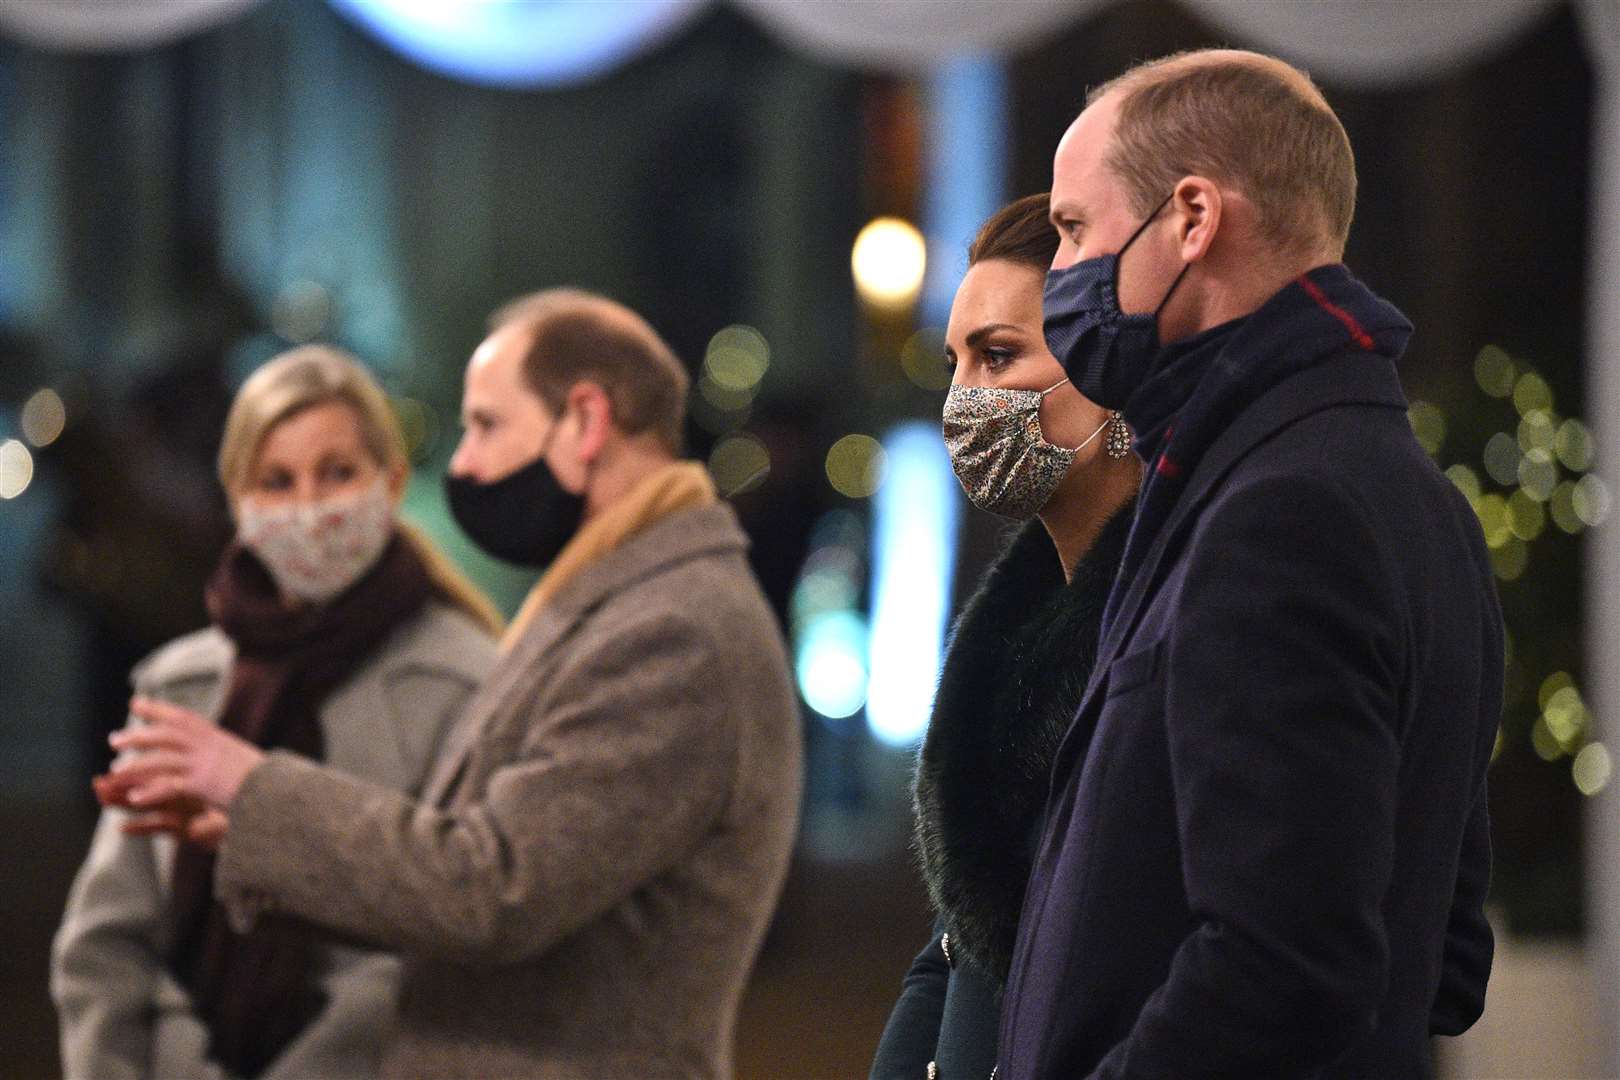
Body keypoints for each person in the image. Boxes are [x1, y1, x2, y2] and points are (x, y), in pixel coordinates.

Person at [104, 288, 804, 1079]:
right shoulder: (622, 601)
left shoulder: (671, 632)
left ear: (586, 420)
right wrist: (255, 830)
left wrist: (251, 783)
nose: (465, 462)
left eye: (486, 424)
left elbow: (491, 889)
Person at [994, 49, 1502, 1078]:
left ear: (1192, 217)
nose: (1058, 277)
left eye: (1073, 229)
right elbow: (1445, 954)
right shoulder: (1402, 493)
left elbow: (1286, 964)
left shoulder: (1281, 511)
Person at [52, 346, 501, 1080]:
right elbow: (108, 941)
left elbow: (442, 945)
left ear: (389, 483)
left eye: (337, 473)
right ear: (239, 503)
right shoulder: (182, 687)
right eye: (277, 481)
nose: (310, 508)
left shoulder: (462, 684)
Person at [868, 193, 1139, 1080]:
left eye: (999, 356)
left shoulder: (1163, 617)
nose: (963, 401)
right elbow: (956, 947)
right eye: (955, 364)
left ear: (1108, 364)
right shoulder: (1014, 624)